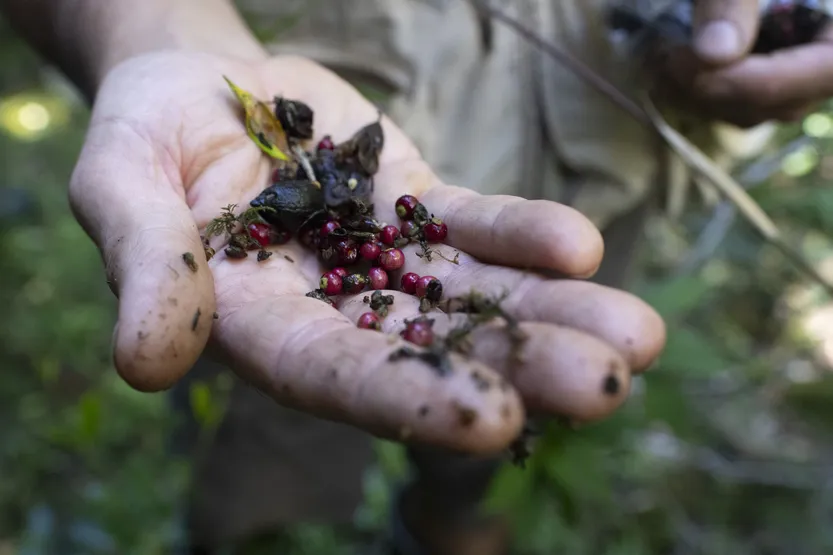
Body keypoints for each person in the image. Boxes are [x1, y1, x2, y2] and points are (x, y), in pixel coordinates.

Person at [1, 0, 831, 553]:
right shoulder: (305, 198)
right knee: (264, 495)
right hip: (318, 93)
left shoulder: (382, 224)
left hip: (604, 153)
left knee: (492, 431)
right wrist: (163, 42)